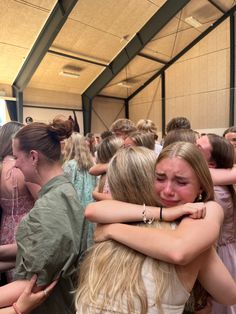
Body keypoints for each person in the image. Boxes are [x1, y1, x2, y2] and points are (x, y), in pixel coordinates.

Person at [76, 145, 236, 313]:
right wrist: (164, 213)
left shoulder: (204, 215)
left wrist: (111, 230)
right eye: (159, 178)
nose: (167, 191)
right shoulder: (138, 216)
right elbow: (92, 210)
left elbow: (179, 249)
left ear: (201, 186)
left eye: (181, 182)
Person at [0, 120, 88, 314]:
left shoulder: (50, 206)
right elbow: (40, 250)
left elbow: (32, 283)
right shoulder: (60, 191)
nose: (14, 165)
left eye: (16, 157)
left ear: (33, 157)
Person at [197, 133, 236, 314]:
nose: (192, 147)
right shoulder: (213, 182)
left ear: (211, 164)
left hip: (219, 255)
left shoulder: (217, 192)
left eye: (198, 148)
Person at [0, 122, 38, 282]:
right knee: (27, 280)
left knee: (12, 281)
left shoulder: (2, 167)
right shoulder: (21, 168)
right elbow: (43, 200)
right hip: (26, 228)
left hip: (5, 228)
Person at [63, 132, 97, 247]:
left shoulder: (69, 165)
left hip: (75, 206)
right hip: (90, 205)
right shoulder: (92, 163)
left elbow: (66, 188)